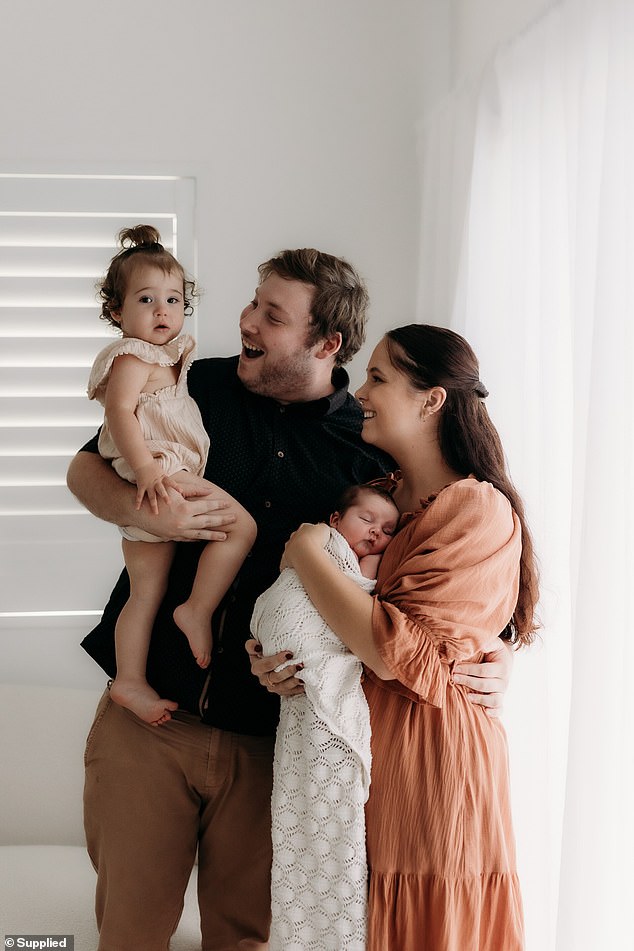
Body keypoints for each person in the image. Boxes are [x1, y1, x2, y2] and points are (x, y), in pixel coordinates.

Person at [67, 249, 514, 951]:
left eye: (271, 314)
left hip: (271, 743)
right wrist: (147, 511)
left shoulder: (371, 452)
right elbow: (84, 469)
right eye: (252, 302)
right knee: (128, 933)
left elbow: (419, 590)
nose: (245, 319)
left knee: (246, 939)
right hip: (150, 716)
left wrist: (495, 650)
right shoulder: (197, 385)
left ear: (325, 342)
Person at [259, 324, 539, 951]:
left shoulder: (476, 508)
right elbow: (328, 625)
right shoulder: (377, 499)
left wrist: (307, 554)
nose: (361, 392)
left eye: (379, 377)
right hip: (360, 767)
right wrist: (276, 655)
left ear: (431, 399)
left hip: (431, 769)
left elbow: (392, 652)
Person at [87, 225, 257, 726]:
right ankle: (198, 609)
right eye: (146, 299)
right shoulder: (133, 357)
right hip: (160, 470)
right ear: (116, 312)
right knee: (242, 527)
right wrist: (145, 470)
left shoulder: (167, 355)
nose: (163, 311)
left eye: (174, 299)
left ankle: (130, 680)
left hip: (158, 472)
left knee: (145, 593)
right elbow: (119, 414)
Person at [251, 483, 399, 951]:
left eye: (388, 529)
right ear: (337, 520)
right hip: (285, 652)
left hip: (320, 663)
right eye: (367, 520)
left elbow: (363, 592)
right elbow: (290, 574)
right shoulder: (316, 538)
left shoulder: (348, 557)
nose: (376, 533)